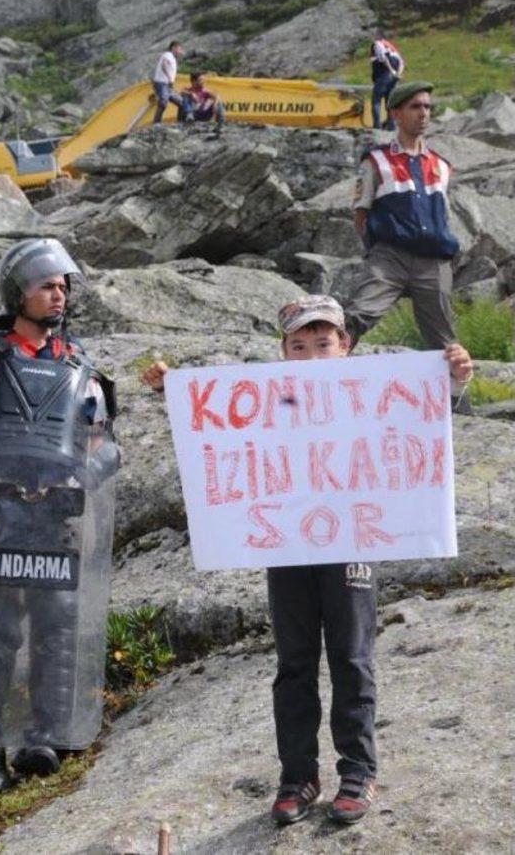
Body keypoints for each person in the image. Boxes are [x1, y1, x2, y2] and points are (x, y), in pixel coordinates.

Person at [141, 294, 472, 825]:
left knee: (351, 657)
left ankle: (358, 770)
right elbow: (218, 429)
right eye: (300, 345)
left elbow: (419, 418)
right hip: (288, 548)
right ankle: (298, 775)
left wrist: (453, 381)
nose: (313, 355)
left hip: (353, 543)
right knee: (294, 664)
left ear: (346, 345)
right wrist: (171, 392)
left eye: (324, 343)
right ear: (284, 351)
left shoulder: (372, 390)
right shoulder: (272, 398)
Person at [0, 238, 119, 797]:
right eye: (46, 285)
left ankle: (45, 734)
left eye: (63, 286)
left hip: (56, 512)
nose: (57, 295)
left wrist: (86, 476)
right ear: (19, 292)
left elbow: (104, 444)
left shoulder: (82, 366)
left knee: (57, 624)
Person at [346, 81, 462, 363]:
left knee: (445, 344)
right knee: (353, 319)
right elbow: (360, 213)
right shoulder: (376, 160)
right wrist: (376, 250)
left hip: (433, 261)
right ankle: (313, 384)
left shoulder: (441, 165)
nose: (423, 113)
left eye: (427, 107)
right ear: (396, 113)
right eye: (415, 107)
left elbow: (443, 216)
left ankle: (458, 407)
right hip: (390, 257)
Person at [370, 29, 404, 131]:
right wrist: (398, 74)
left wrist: (391, 70)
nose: (372, 36)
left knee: (376, 100)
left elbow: (383, 58)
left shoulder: (377, 44)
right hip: (394, 77)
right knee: (390, 102)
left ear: (378, 35)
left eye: (374, 34)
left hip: (383, 75)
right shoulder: (391, 47)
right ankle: (391, 126)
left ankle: (377, 126)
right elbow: (402, 62)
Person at [152, 40, 185, 124]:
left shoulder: (173, 58)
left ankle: (180, 122)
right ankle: (156, 123)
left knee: (181, 102)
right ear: (173, 48)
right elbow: (164, 65)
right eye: (179, 49)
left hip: (168, 86)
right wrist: (169, 77)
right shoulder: (168, 54)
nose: (180, 52)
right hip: (162, 83)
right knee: (163, 102)